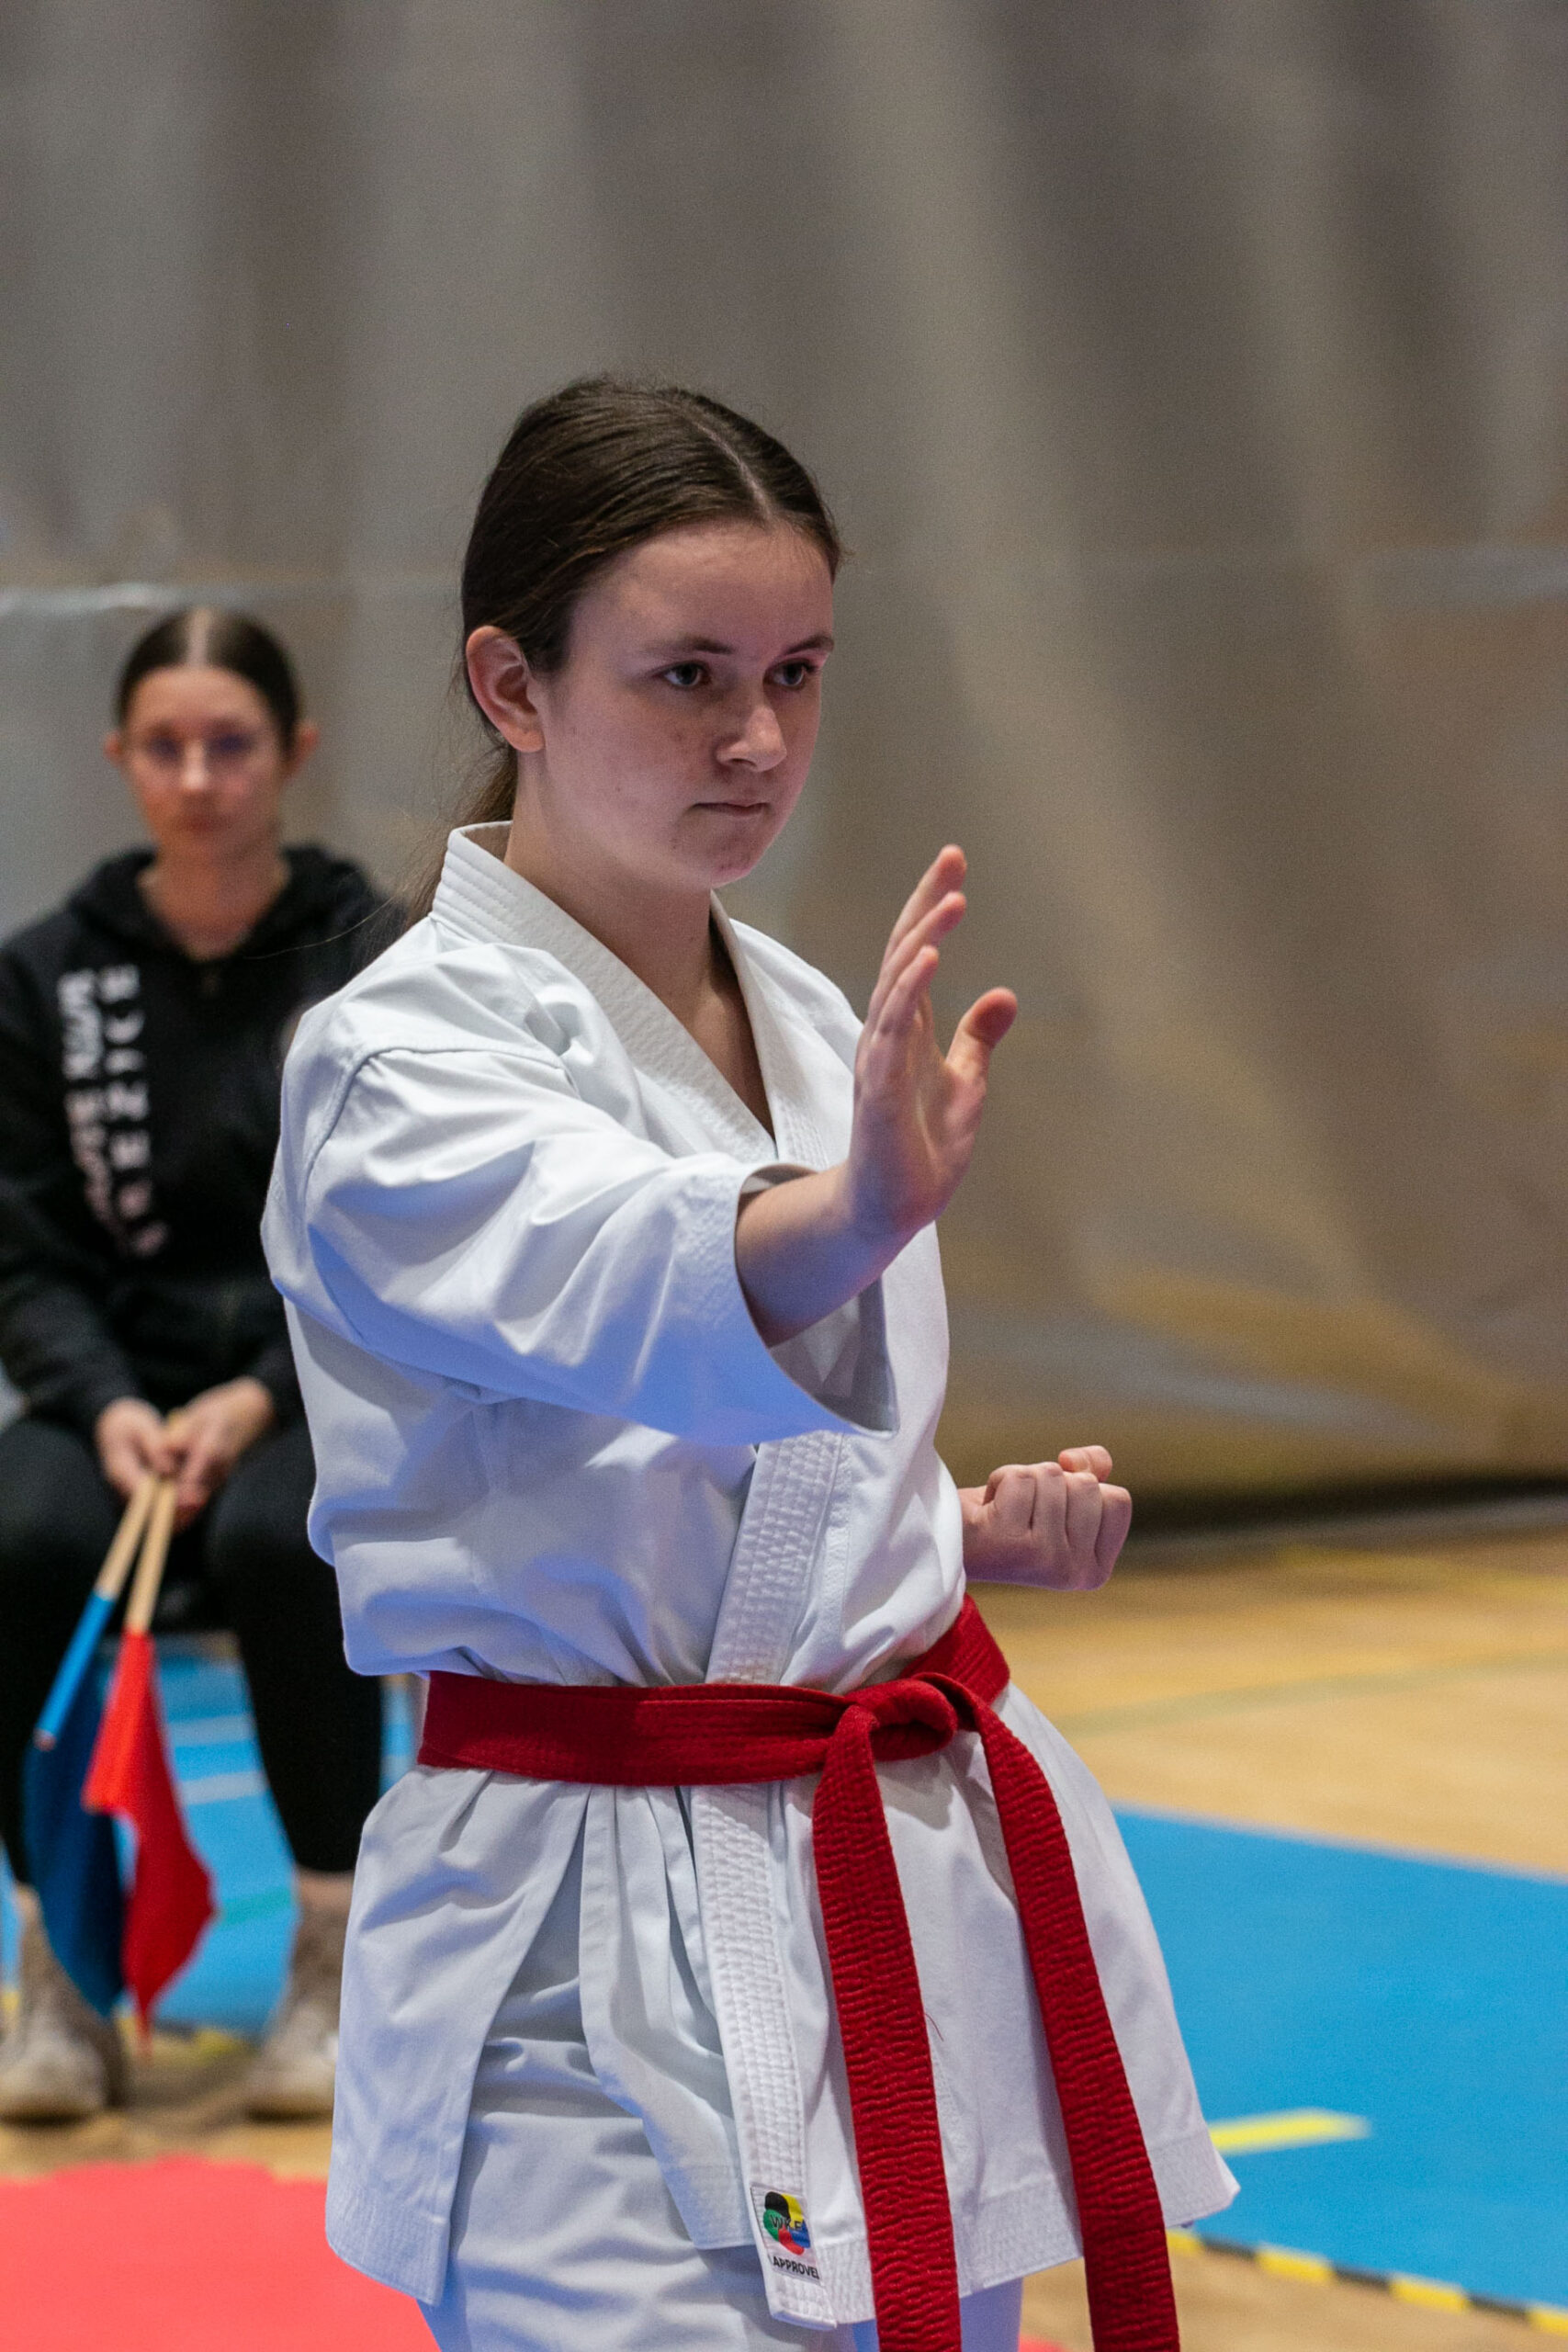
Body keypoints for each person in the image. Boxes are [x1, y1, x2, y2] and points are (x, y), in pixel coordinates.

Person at [264, 380, 1235, 2352]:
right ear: (513, 685)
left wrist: (936, 1532)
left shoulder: (795, 1011)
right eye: (687, 673)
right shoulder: (392, 1059)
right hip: (577, 1946)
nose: (758, 737)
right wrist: (849, 1213)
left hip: (888, 1900)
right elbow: (620, 1271)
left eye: (795, 671)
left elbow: (711, 1482)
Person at [0, 607, 393, 2124]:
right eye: (164, 747)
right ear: (120, 759)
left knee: (284, 1534)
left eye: (231, 744)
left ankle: (330, 1957)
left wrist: (264, 1397)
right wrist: (106, 1403)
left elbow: (405, 1231)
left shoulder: (375, 959)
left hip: (321, 1381)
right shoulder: (45, 978)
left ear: (291, 754)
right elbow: (26, 1252)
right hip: (116, 1393)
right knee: (20, 1532)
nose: (198, 777)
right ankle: (63, 1974)